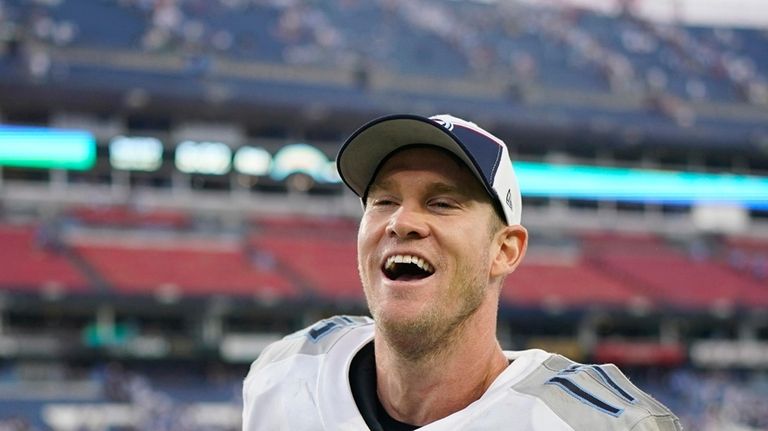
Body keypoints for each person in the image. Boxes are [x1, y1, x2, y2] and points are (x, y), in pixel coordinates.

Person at [242, 113, 682, 430]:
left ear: (505, 251)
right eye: (383, 201)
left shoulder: (590, 424)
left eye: (441, 203)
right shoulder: (286, 374)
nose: (401, 222)